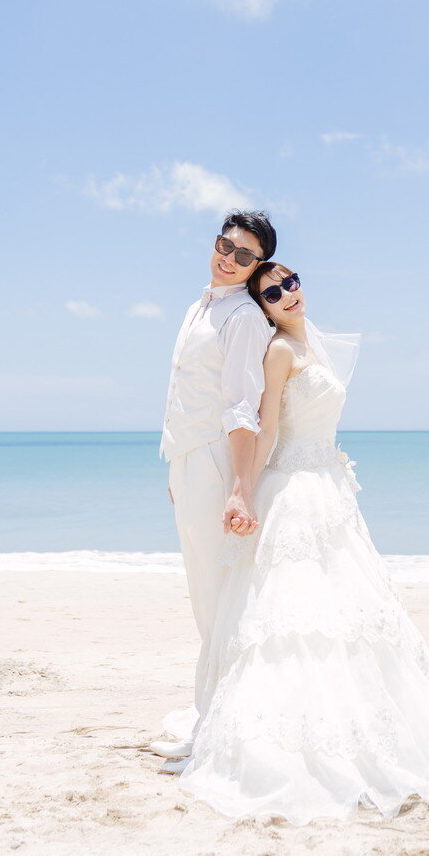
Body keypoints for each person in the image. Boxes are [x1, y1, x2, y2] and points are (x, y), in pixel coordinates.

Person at [156, 261, 429, 822]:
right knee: (295, 617)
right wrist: (242, 491)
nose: (286, 294)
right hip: (292, 488)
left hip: (329, 485)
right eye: (272, 292)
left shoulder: (312, 342)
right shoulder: (277, 351)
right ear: (263, 308)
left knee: (351, 611)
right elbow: (265, 427)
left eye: (290, 282)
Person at [149, 210, 277, 761]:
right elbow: (184, 391)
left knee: (219, 597)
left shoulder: (243, 317)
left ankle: (219, 729)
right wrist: (177, 467)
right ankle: (214, 716)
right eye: (226, 245)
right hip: (188, 462)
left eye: (244, 255)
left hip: (216, 462)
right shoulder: (199, 305)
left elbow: (242, 407)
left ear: (257, 266)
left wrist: (238, 488)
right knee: (204, 594)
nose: (229, 258)